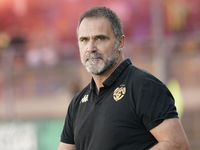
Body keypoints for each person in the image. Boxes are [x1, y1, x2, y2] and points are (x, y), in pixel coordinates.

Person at [57, 6, 189, 150]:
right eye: (84, 40)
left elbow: (177, 145)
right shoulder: (77, 103)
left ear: (120, 42)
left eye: (100, 38)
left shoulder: (144, 87)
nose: (91, 47)